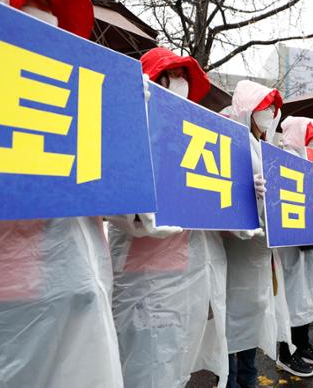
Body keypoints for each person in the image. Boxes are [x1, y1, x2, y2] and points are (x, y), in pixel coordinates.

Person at [0, 0, 123, 388]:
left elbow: (121, 209)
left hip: (73, 295)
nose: (46, 14)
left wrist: (126, 136)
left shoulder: (78, 104)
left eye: (53, 6)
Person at [107, 47, 230, 388]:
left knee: (176, 363)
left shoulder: (197, 140)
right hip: (143, 279)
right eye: (170, 75)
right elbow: (112, 200)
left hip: (185, 276)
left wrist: (246, 198)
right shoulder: (125, 122)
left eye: (183, 78)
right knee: (141, 366)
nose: (178, 84)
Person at [220, 80, 286, 388]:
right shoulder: (231, 139)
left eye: (273, 108)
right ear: (248, 110)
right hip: (238, 250)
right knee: (234, 317)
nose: (270, 113)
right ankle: (232, 378)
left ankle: (247, 376)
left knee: (255, 313)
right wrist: (243, 193)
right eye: (264, 107)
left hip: (261, 250)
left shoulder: (264, 147)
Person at [276, 116, 313, 377]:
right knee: (289, 296)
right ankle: (285, 352)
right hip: (288, 242)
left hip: (305, 239)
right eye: (310, 136)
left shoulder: (306, 160)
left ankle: (301, 345)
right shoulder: (283, 157)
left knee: (303, 294)